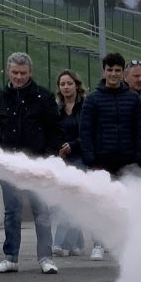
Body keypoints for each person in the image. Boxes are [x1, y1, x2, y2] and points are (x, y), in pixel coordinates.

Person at [0, 53, 64, 274]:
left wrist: (47, 158)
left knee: (42, 212)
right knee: (12, 212)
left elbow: (56, 131)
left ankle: (46, 258)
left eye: (23, 73)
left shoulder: (44, 98)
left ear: (30, 72)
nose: (19, 77)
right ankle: (11, 258)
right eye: (15, 72)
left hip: (37, 166)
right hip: (9, 167)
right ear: (7, 72)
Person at [79, 53, 141, 260]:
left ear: (123, 73)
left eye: (117, 70)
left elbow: (140, 129)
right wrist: (90, 158)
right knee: (100, 204)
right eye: (110, 70)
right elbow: (85, 131)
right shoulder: (92, 99)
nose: (114, 74)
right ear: (104, 71)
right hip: (101, 160)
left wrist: (139, 157)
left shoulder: (133, 98)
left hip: (127, 159)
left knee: (127, 204)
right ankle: (98, 244)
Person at [52, 70, 86, 257]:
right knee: (69, 201)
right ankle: (76, 244)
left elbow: (88, 132)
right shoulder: (57, 109)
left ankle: (58, 243)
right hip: (63, 159)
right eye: (62, 84)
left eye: (69, 83)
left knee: (71, 200)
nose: (66, 87)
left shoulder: (85, 107)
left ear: (76, 85)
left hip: (81, 157)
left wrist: (73, 145)